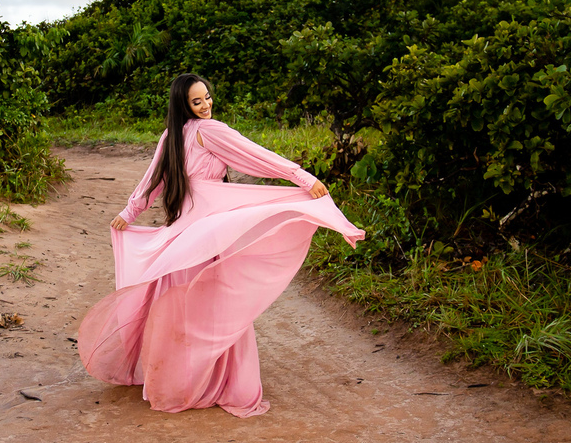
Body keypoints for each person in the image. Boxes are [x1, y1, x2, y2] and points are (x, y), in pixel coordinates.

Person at [77, 73, 365, 417]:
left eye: (207, 97)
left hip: (187, 233)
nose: (206, 105)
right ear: (183, 105)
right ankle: (206, 381)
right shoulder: (203, 132)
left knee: (186, 305)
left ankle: (179, 380)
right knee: (210, 305)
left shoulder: (174, 134)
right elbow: (253, 156)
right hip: (202, 230)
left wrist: (130, 212)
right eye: (196, 101)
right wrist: (301, 176)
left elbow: (154, 181)